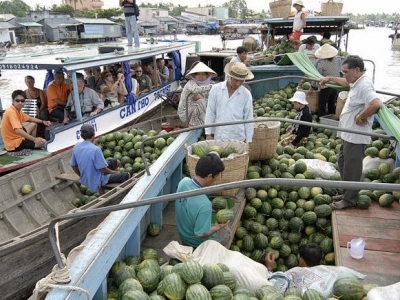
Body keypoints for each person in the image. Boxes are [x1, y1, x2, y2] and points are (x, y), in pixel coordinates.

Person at [319, 55, 382, 210]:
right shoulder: (356, 81)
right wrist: (329, 78)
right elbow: (345, 82)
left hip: (356, 136)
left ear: (357, 70)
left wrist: (361, 116)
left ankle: (349, 200)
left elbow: (376, 103)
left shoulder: (365, 85)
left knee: (352, 168)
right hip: (347, 134)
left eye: (346, 72)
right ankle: (347, 192)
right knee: (343, 163)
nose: (344, 75)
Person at [175, 153, 229, 248]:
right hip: (194, 241)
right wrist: (217, 227)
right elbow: (200, 234)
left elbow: (190, 206)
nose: (215, 180)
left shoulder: (183, 182)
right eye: (216, 177)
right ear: (209, 176)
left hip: (183, 233)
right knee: (227, 233)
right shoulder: (205, 204)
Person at [70, 124, 131, 194]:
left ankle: (105, 183)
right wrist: (113, 172)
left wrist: (82, 176)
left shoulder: (76, 146)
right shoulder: (96, 149)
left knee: (116, 162)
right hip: (97, 179)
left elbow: (73, 165)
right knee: (127, 175)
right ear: (93, 135)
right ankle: (103, 188)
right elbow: (103, 169)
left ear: (81, 136)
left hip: (87, 177)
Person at [205, 62, 254, 143]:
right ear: (230, 76)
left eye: (241, 81)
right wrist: (208, 133)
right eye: (236, 80)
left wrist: (249, 140)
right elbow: (210, 112)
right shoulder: (216, 89)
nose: (238, 83)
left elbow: (248, 118)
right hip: (219, 136)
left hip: (238, 138)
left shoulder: (246, 94)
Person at [177, 62, 217, 126]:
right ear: (194, 76)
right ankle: (194, 125)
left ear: (207, 76)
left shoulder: (208, 84)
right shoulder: (191, 83)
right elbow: (195, 90)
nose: (201, 76)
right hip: (185, 114)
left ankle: (207, 123)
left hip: (197, 112)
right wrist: (213, 86)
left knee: (209, 102)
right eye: (198, 74)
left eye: (203, 74)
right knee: (202, 101)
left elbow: (210, 100)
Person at [314, 43, 341, 120]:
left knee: (322, 104)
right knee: (331, 103)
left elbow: (318, 76)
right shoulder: (336, 59)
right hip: (336, 85)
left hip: (326, 86)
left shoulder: (321, 63)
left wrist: (313, 87)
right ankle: (331, 118)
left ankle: (321, 119)